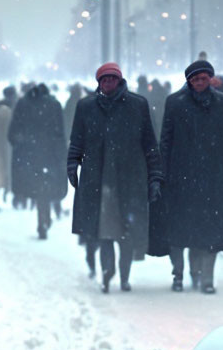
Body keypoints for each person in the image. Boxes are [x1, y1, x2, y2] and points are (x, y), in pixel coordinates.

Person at [68, 62, 161, 292]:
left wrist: (155, 175)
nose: (108, 83)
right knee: (105, 231)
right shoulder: (86, 107)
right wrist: (72, 164)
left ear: (120, 81)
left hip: (130, 179)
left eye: (112, 79)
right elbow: (77, 141)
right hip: (98, 181)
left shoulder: (137, 105)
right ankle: (107, 273)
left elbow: (150, 143)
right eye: (104, 79)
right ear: (98, 82)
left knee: (127, 233)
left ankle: (125, 276)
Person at [159, 60, 223, 294]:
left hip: (216, 176)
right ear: (189, 81)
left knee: (212, 230)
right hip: (183, 177)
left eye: (204, 78)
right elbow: (166, 141)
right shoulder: (175, 104)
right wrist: (162, 172)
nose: (200, 82)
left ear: (211, 79)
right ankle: (186, 273)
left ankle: (206, 277)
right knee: (184, 229)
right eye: (195, 79)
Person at [7, 82, 67, 238]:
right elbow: (60, 134)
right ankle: (44, 220)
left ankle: (43, 221)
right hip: (49, 156)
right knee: (44, 189)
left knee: (37, 188)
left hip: (28, 156)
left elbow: (12, 133)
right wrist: (61, 154)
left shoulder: (22, 104)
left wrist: (21, 145)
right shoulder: (54, 105)